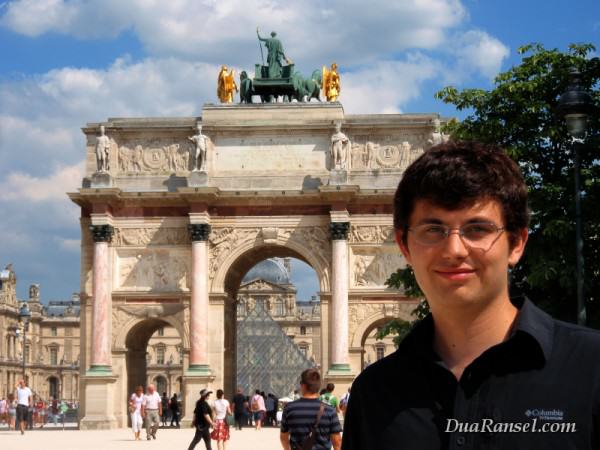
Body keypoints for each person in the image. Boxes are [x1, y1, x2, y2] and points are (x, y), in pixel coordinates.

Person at [342, 140, 600, 449]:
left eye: (477, 229)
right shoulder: (372, 392)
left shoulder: (593, 368)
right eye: (433, 230)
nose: (454, 250)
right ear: (404, 246)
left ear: (517, 243)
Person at [280, 368, 342, 450]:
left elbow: (283, 437)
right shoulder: (330, 411)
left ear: (303, 385)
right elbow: (337, 442)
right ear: (319, 386)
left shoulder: (289, 408)